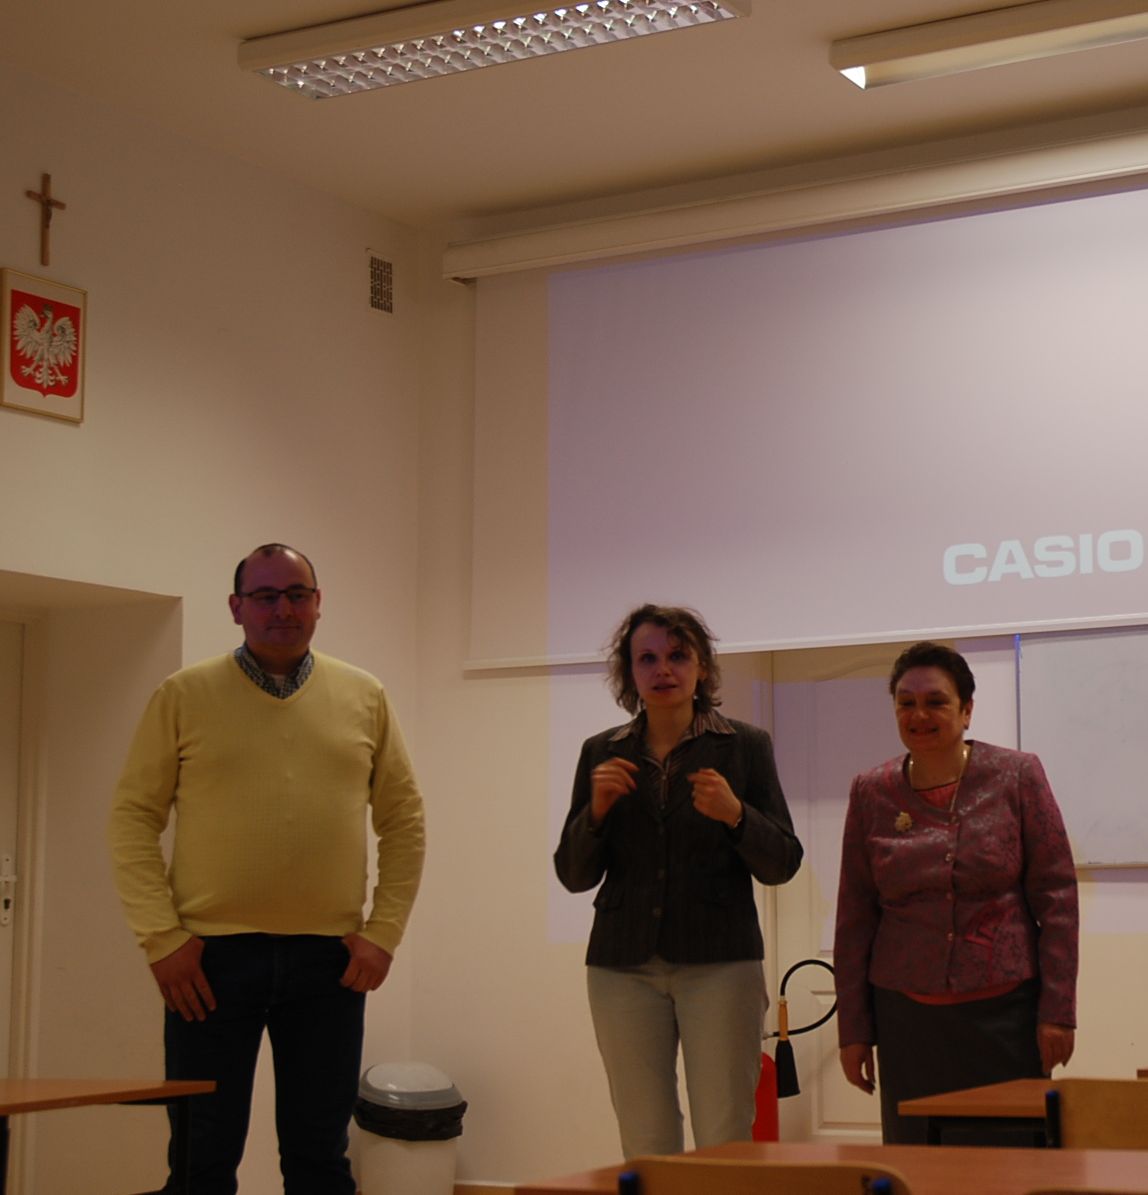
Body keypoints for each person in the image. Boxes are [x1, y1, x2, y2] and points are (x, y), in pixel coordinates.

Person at [108, 543, 426, 1194]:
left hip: (331, 962)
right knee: (200, 1162)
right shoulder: (183, 695)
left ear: (318, 603)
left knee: (320, 1162)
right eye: (265, 596)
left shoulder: (364, 695)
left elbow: (404, 820)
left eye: (297, 594)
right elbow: (132, 817)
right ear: (236, 607)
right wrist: (161, 939)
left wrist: (384, 932)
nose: (283, 608)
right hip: (207, 963)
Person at [554, 604, 803, 1159]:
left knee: (724, 1133)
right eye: (647, 658)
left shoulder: (745, 745)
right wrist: (595, 814)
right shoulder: (602, 752)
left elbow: (782, 862)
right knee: (645, 1137)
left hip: (721, 963)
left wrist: (737, 815)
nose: (663, 668)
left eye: (677, 655)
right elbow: (573, 875)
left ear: (702, 668)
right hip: (622, 966)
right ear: (630, 672)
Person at [834, 641, 1078, 1144]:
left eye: (936, 701)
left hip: (1006, 1014)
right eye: (906, 702)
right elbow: (854, 916)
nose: (919, 714)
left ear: (966, 710)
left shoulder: (1017, 775)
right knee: (919, 1158)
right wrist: (854, 1030)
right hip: (906, 1019)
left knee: (1011, 1156)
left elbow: (1057, 899)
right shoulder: (870, 791)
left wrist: (1058, 1012)